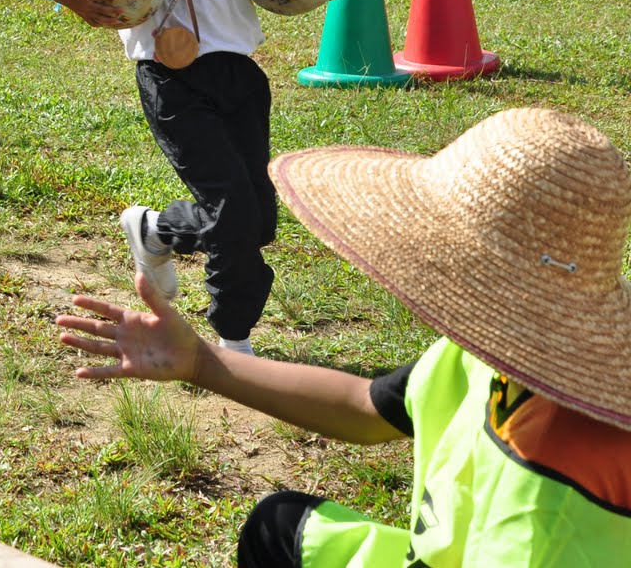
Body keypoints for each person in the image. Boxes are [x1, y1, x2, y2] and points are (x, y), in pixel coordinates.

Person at [58, 106, 631, 567]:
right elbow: (365, 408)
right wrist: (202, 362)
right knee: (278, 528)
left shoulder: (555, 496)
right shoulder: (502, 351)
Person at [39, 0, 354, 355]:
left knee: (258, 221)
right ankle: (233, 339)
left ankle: (156, 230)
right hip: (172, 82)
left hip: (241, 78)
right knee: (233, 212)